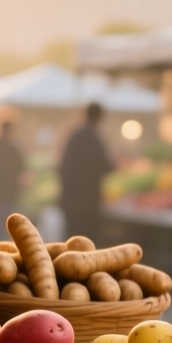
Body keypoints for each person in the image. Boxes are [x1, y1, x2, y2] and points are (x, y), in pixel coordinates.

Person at [59, 103, 113, 240]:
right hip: (87, 204)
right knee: (86, 245)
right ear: (100, 118)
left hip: (71, 202)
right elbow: (106, 167)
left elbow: (62, 167)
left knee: (71, 243)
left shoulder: (74, 136)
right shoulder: (94, 139)